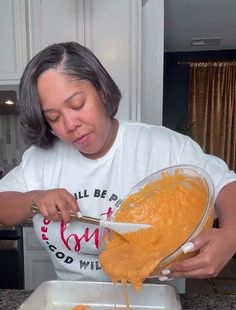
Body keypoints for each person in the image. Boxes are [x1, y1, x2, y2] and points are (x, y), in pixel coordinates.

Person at [0, 41, 235, 283]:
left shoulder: (164, 146)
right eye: (54, 117)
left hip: (148, 300)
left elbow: (226, 184)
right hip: (70, 300)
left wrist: (230, 236)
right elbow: (3, 209)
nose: (70, 124)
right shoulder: (40, 159)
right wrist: (34, 199)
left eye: (77, 105)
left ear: (101, 91)